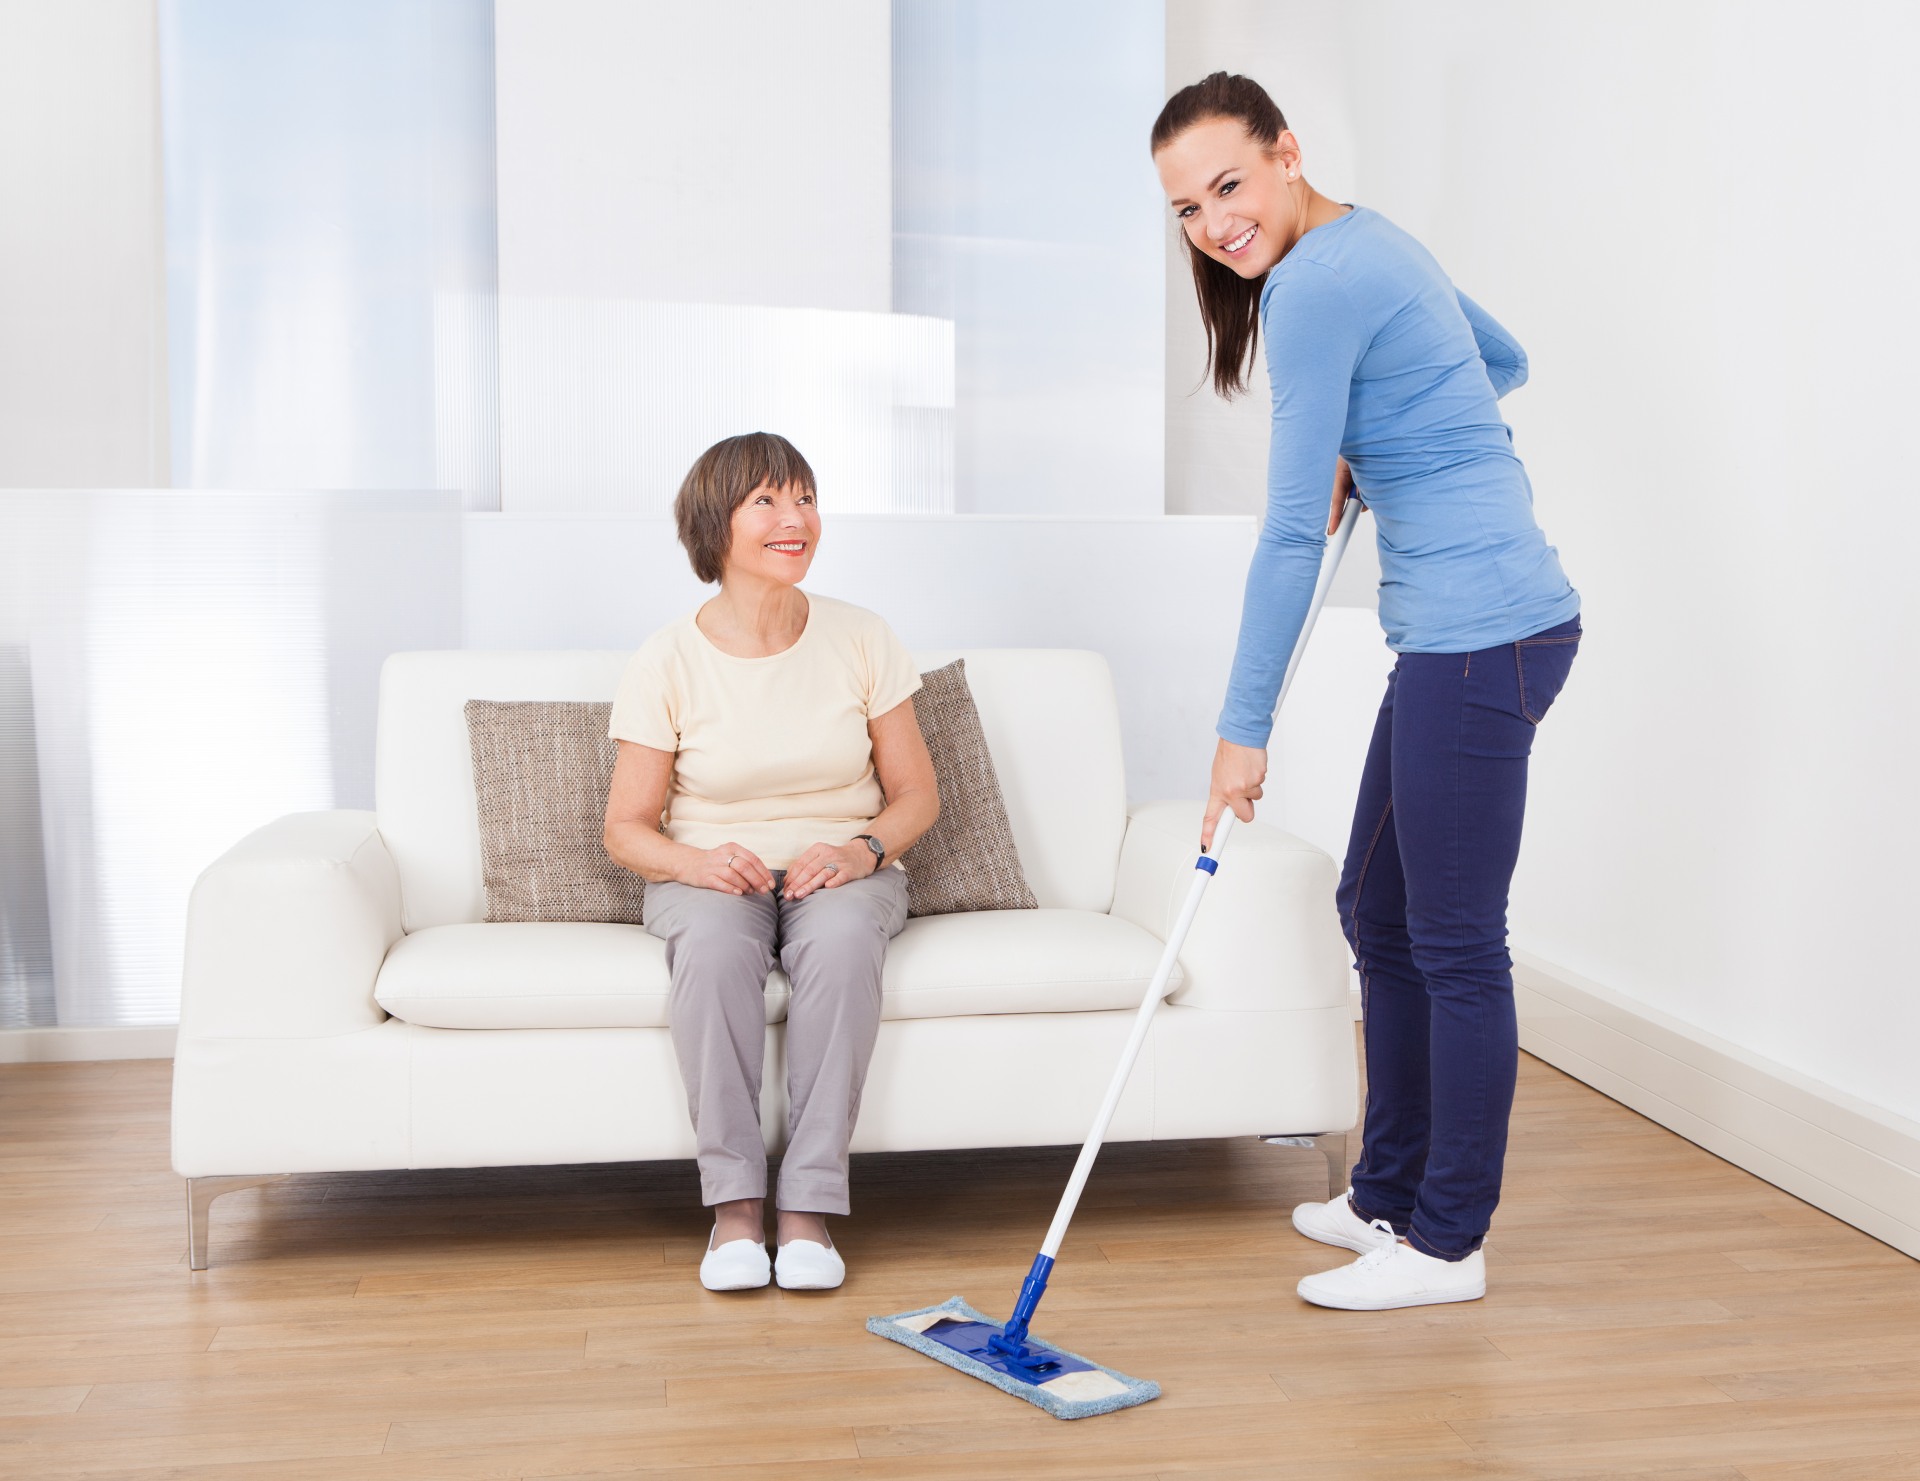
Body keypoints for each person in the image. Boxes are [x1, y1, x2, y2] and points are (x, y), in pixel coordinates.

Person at [1152, 73, 1581, 1311]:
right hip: (1475, 632)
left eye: (1229, 185)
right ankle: (1385, 1188)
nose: (1215, 225)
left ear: (1286, 152)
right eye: (1188, 209)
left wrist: (1241, 732)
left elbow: (1291, 534)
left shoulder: (1315, 286)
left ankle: (1447, 1240)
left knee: (1452, 941)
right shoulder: (1372, 238)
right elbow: (1500, 357)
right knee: (1376, 907)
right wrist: (1379, 438)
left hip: (1481, 636)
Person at [603, 432, 939, 1293]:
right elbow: (625, 829)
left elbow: (915, 798)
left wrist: (862, 849)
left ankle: (808, 1211)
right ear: (716, 524)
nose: (796, 519)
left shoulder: (862, 637)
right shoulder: (667, 658)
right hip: (714, 875)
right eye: (768, 502)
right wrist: (695, 861)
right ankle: (735, 1211)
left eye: (805, 498)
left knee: (841, 948)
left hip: (842, 870)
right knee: (714, 953)